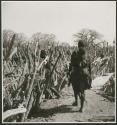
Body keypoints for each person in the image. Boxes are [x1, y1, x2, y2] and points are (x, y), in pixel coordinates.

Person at [68, 40, 92, 112]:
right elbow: (90, 66)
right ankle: (82, 107)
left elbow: (71, 64)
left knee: (75, 88)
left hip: (76, 74)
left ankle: (77, 102)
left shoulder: (75, 53)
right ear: (84, 46)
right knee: (82, 90)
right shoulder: (87, 55)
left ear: (78, 46)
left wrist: (69, 72)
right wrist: (90, 75)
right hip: (85, 74)